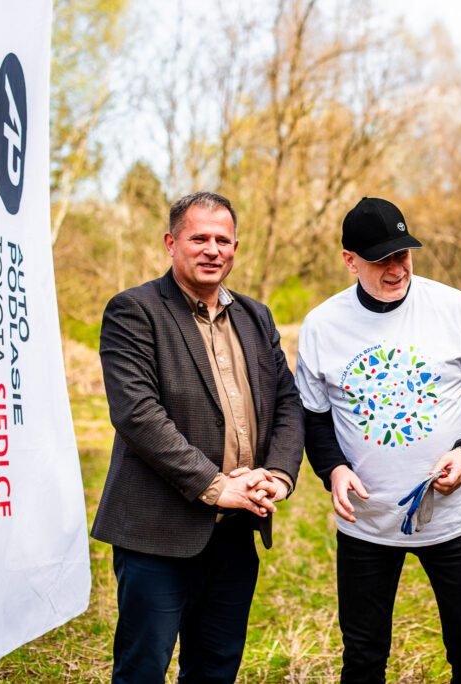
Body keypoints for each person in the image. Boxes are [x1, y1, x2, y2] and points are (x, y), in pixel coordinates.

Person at [295, 197, 461, 683]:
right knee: (363, 658)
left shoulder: (455, 309)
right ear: (350, 260)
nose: (397, 269)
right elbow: (312, 417)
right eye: (381, 260)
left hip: (454, 520)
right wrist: (333, 468)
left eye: (403, 254)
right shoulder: (322, 326)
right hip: (367, 524)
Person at [92, 191, 304, 683]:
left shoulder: (255, 316)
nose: (212, 250)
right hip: (157, 532)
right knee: (142, 670)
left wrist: (277, 475)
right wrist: (214, 485)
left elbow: (287, 403)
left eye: (223, 240)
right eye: (199, 238)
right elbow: (137, 414)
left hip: (236, 531)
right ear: (171, 243)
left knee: (215, 669)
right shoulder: (134, 311)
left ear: (235, 248)